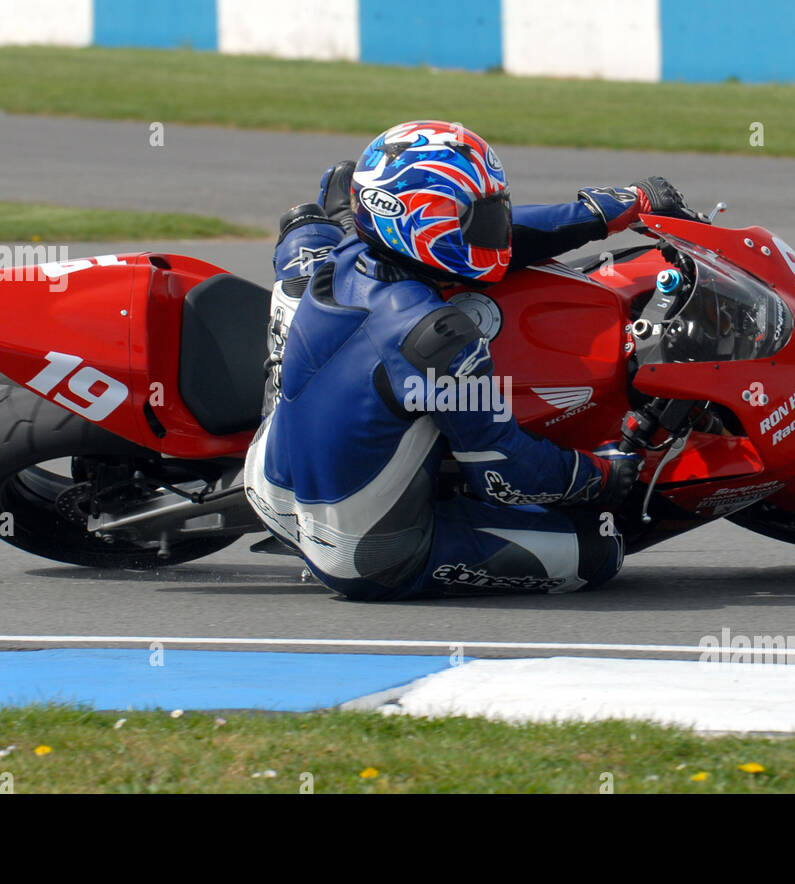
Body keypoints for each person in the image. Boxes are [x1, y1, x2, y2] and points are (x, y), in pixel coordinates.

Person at [244, 120, 701, 600]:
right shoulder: (435, 337)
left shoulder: (354, 244)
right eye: (481, 216)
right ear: (425, 224)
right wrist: (601, 475)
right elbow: (504, 472)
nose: (498, 226)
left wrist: (612, 208)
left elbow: (505, 241)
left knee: (310, 241)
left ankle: (287, 361)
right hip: (359, 551)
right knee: (601, 547)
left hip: (268, 479)